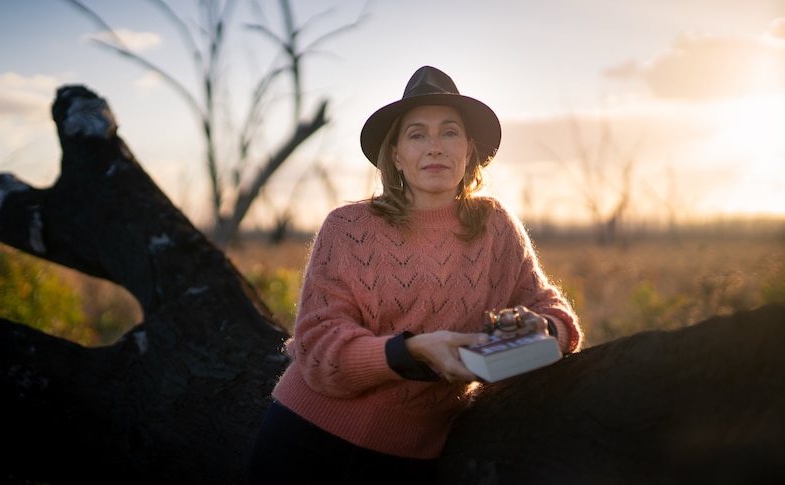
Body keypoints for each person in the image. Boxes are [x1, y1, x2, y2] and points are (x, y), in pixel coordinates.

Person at [246, 66, 583, 484]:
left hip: (411, 458)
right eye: (417, 134)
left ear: (469, 151)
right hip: (306, 440)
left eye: (449, 132)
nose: (435, 147)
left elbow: (553, 314)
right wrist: (413, 351)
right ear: (396, 156)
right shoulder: (347, 227)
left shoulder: (495, 227)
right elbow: (318, 348)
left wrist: (543, 329)